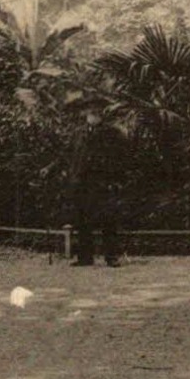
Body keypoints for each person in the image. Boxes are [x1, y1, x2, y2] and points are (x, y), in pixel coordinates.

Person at [68, 106, 129, 267]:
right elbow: (70, 155)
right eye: (90, 113)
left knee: (107, 220)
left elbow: (118, 157)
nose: (93, 116)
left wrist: (114, 178)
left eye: (96, 113)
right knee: (82, 220)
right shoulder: (79, 133)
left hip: (102, 181)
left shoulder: (111, 133)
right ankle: (85, 257)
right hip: (82, 182)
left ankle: (111, 256)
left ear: (102, 115)